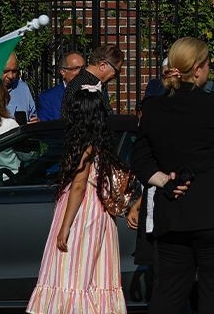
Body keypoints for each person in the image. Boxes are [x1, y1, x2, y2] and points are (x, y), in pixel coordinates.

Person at [131, 38, 214, 314]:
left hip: (174, 212)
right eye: (208, 65)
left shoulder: (153, 107)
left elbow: (140, 159)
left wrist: (165, 181)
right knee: (213, 293)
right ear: (197, 69)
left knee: (168, 293)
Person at [26, 83, 128, 314]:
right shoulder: (102, 143)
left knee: (71, 273)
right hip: (99, 212)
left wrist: (65, 227)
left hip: (82, 213)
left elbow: (79, 186)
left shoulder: (83, 146)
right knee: (96, 274)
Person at [35, 51, 84, 122]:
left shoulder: (94, 92)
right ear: (63, 72)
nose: (81, 72)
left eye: (83, 68)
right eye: (76, 68)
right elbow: (46, 127)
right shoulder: (48, 98)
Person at [2, 54, 36, 124]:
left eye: (14, 71)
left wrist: (35, 122)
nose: (11, 76)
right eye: (6, 71)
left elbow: (33, 116)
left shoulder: (23, 88)